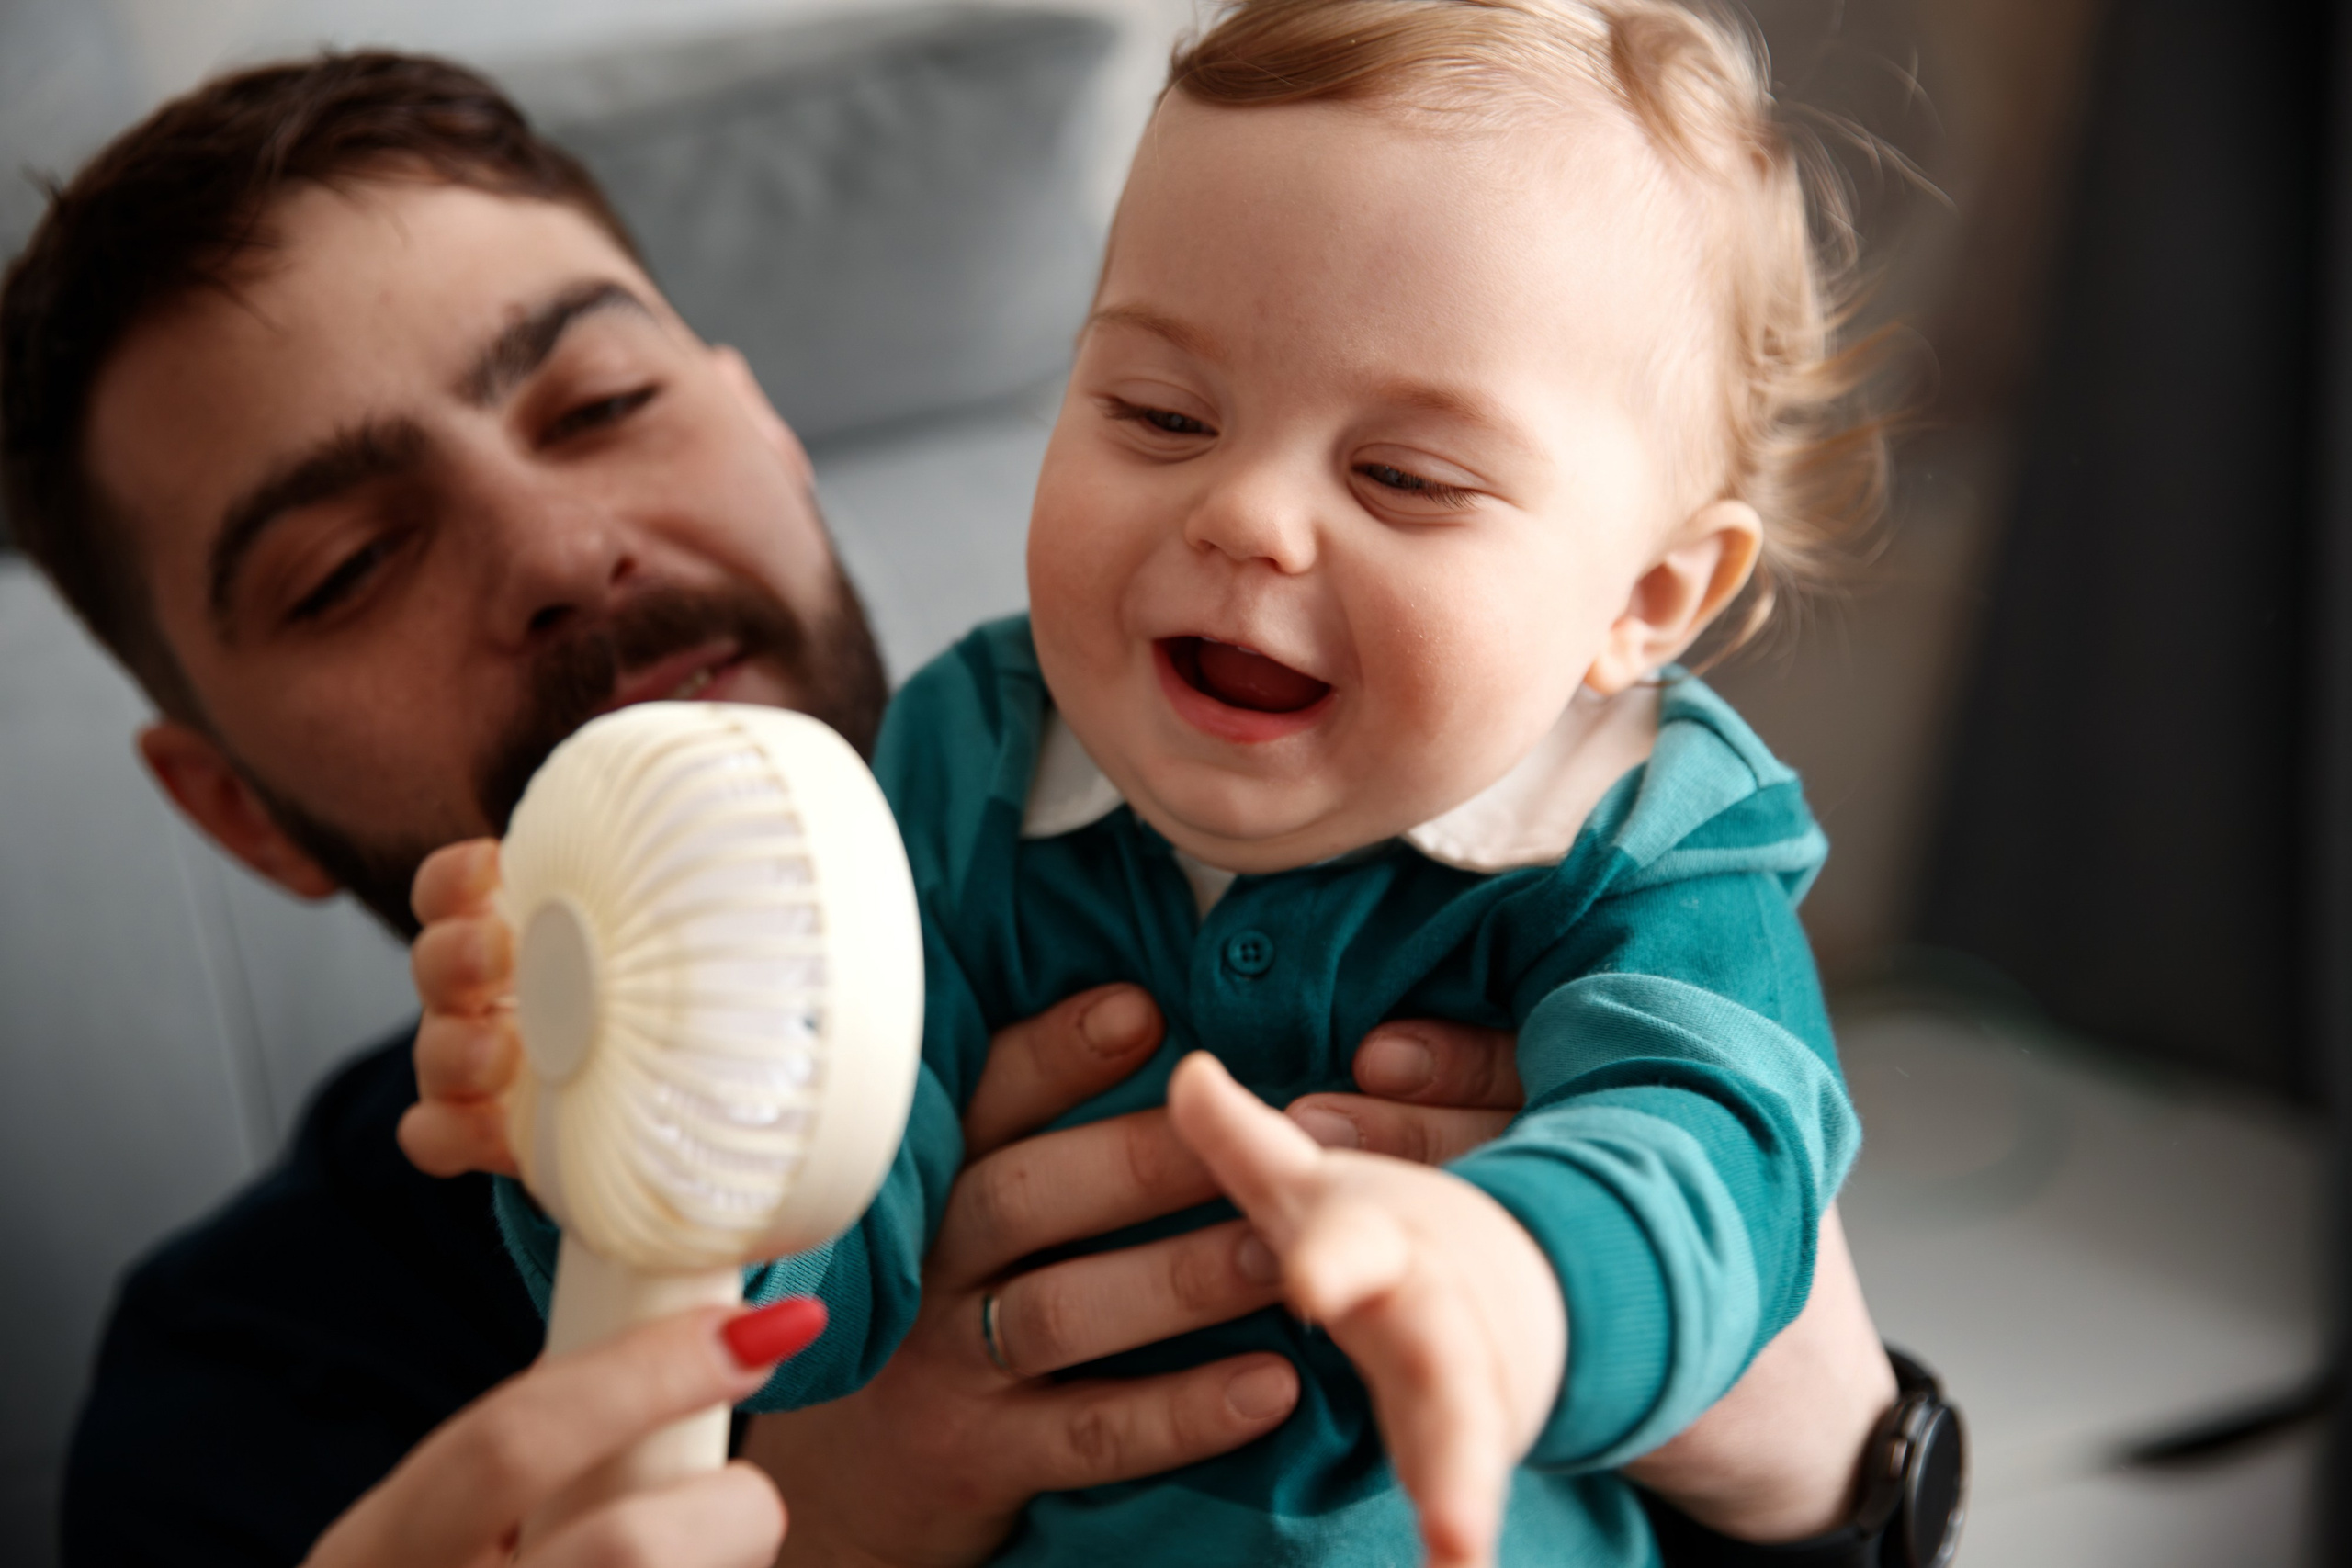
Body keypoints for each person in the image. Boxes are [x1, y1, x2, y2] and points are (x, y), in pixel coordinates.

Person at [0, 39, 1896, 1568]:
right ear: (233, 810)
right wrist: (672, 1230)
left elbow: (1711, 1156)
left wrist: (1786, 1423)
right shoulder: (234, 1408)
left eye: (597, 403)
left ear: (765, 417)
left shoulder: (1632, 818)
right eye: (348, 564)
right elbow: (838, 1157)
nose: (565, 549)